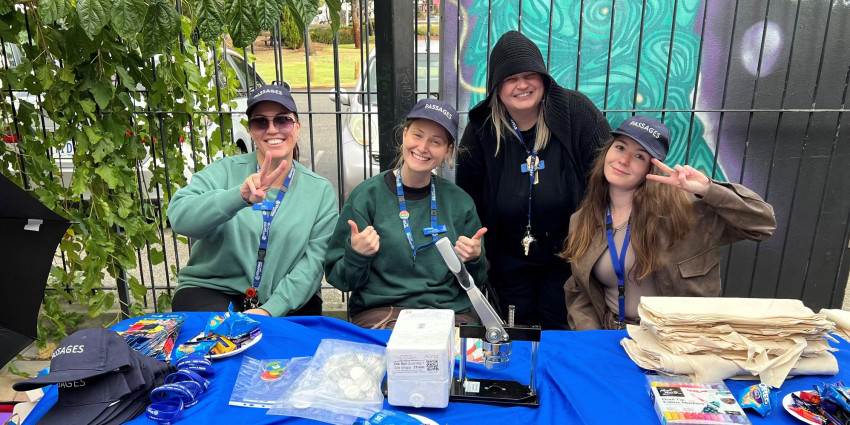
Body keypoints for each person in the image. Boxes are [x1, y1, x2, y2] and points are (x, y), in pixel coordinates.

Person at [455, 30, 612, 330]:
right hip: (509, 258)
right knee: (516, 332)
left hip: (568, 256)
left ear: (543, 78)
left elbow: (605, 170)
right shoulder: (483, 127)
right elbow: (468, 191)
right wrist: (481, 250)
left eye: (530, 75)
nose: (522, 85)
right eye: (511, 78)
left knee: (560, 331)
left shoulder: (575, 112)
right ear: (497, 87)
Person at [560, 116, 777, 330]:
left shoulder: (687, 212)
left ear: (650, 169)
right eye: (619, 147)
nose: (623, 160)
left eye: (639, 156)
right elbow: (580, 290)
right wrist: (590, 338)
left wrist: (707, 189)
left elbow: (762, 224)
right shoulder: (582, 221)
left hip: (678, 340)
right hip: (612, 339)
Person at [168, 84, 338, 316]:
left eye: (283, 120)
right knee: (220, 343)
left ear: (297, 127)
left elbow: (313, 265)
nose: (272, 129)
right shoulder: (224, 172)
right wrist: (238, 197)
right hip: (214, 291)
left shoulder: (319, 191)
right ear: (250, 131)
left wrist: (269, 310)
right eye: (260, 122)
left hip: (285, 298)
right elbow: (180, 218)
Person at [324, 98, 487, 329]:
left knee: (458, 363)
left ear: (448, 151)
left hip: (449, 313)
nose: (422, 147)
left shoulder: (460, 202)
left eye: (436, 141)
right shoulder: (367, 197)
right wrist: (356, 255)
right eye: (417, 135)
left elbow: (477, 281)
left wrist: (475, 258)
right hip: (382, 313)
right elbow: (341, 280)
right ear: (404, 136)